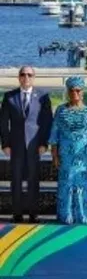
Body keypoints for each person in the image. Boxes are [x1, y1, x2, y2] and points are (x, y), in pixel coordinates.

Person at [0, 66, 53, 223]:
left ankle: (33, 212)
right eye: (23, 74)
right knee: (15, 179)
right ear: (19, 77)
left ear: (34, 77)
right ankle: (16, 213)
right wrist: (5, 143)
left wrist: (44, 142)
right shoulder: (9, 96)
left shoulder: (43, 96)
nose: (26, 77)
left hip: (35, 145)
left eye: (29, 75)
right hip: (15, 146)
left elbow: (47, 121)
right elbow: (3, 122)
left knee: (33, 178)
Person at [49, 77, 87, 225]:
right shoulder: (61, 110)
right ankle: (66, 217)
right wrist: (54, 154)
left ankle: (82, 217)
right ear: (68, 92)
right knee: (66, 184)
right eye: (71, 90)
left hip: (84, 155)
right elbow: (55, 133)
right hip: (66, 154)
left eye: (78, 90)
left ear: (83, 92)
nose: (75, 93)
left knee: (82, 185)